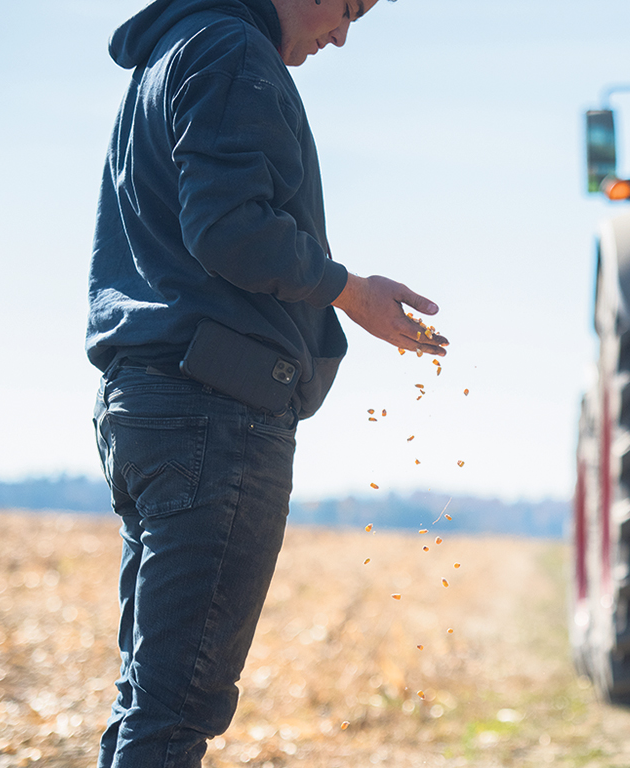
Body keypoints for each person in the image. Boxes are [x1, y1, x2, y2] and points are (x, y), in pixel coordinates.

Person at [86, 0, 446, 765]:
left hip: (152, 406)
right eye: (349, 7)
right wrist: (351, 290)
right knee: (175, 714)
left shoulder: (175, 52)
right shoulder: (231, 52)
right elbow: (231, 231)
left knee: (149, 702)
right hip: (213, 413)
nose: (343, 34)